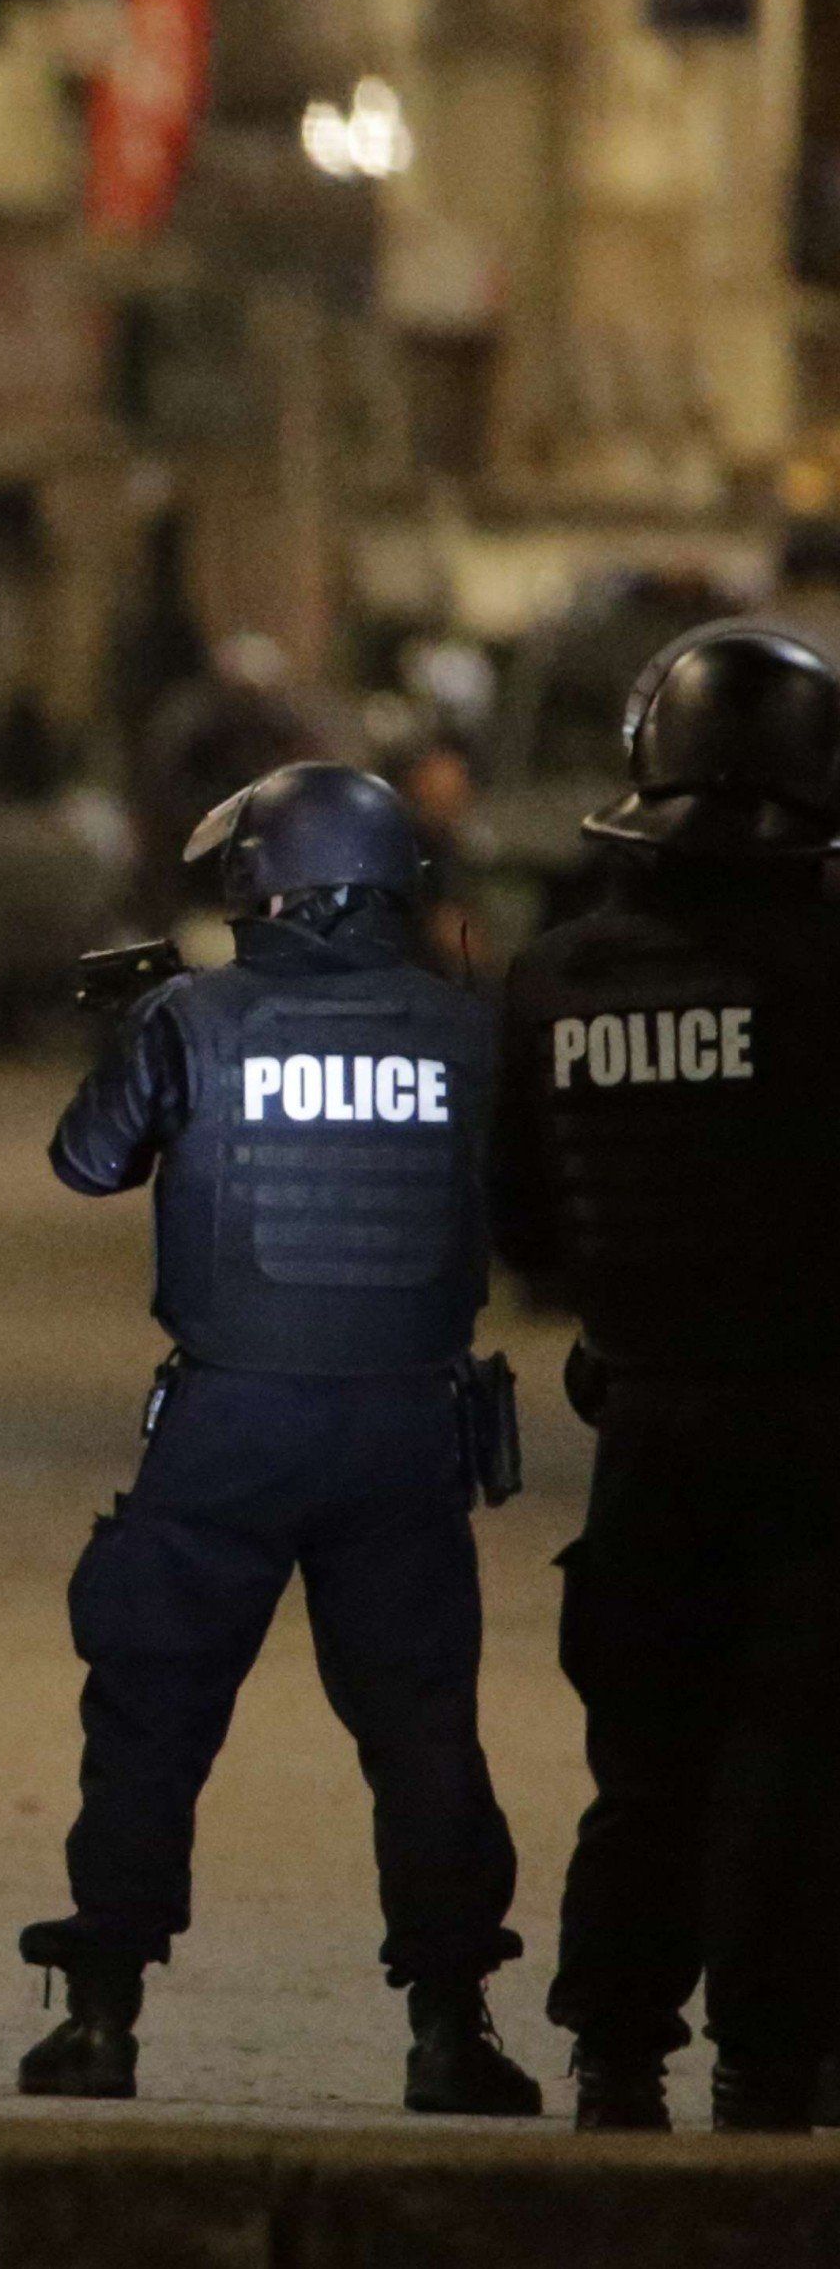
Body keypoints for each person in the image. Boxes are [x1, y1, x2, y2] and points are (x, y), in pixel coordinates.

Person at [17, 762, 540, 2116]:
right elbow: (531, 1212)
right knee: (423, 1732)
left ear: (264, 879)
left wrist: (134, 1030)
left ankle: (102, 2018)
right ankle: (451, 2028)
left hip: (231, 1425)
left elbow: (84, 1163)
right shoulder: (463, 1028)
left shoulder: (197, 1016)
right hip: (405, 1427)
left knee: (152, 1715)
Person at [493, 623, 840, 2133]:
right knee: (792, 1750)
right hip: (816, 1433)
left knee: (645, 1759)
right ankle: (772, 2064)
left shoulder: (558, 977)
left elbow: (523, 1230)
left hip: (640, 1426)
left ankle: (616, 2052)